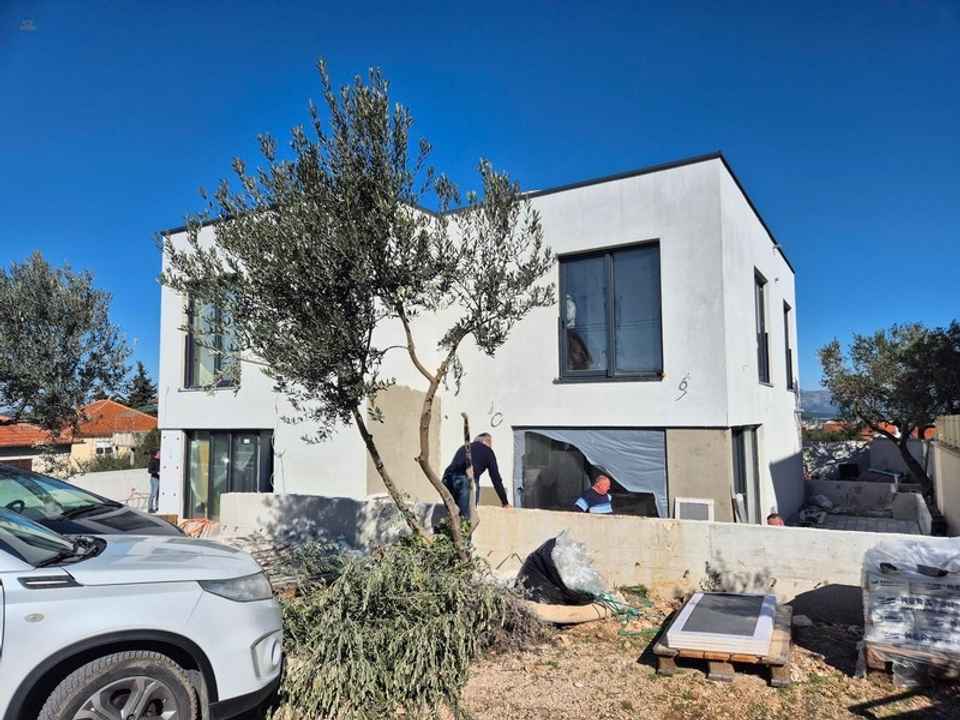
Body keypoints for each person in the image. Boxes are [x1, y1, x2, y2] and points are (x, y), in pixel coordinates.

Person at [442, 433, 509, 521]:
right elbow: (495, 478)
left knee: (453, 515)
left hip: (447, 479)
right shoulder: (488, 451)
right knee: (467, 519)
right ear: (486, 442)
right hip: (465, 481)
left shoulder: (464, 447)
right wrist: (505, 502)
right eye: (490, 443)